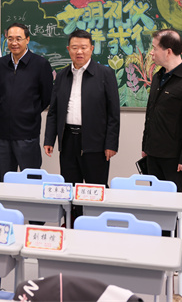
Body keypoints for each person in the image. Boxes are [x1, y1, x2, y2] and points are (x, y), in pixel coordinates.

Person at [141, 29, 182, 274]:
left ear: (168, 51)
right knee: (158, 204)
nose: (151, 53)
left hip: (176, 158)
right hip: (154, 153)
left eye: (154, 48)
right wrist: (145, 146)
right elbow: (150, 115)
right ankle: (164, 248)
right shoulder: (159, 76)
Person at [43, 29, 120, 224]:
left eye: (84, 47)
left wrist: (111, 144)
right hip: (68, 139)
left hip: (96, 142)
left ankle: (95, 224)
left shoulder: (105, 74)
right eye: (75, 47)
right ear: (68, 49)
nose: (79, 52)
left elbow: (113, 113)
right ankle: (72, 222)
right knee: (70, 186)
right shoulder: (62, 75)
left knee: (95, 188)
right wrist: (49, 139)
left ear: (91, 49)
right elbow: (54, 111)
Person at [0, 23, 53, 181]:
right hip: (3, 134)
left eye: (18, 38)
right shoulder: (1, 64)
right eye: (10, 39)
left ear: (27, 40)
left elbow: (47, 97)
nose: (14, 43)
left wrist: (30, 111)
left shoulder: (40, 64)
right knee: (6, 180)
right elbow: (3, 93)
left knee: (31, 180)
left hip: (27, 134)